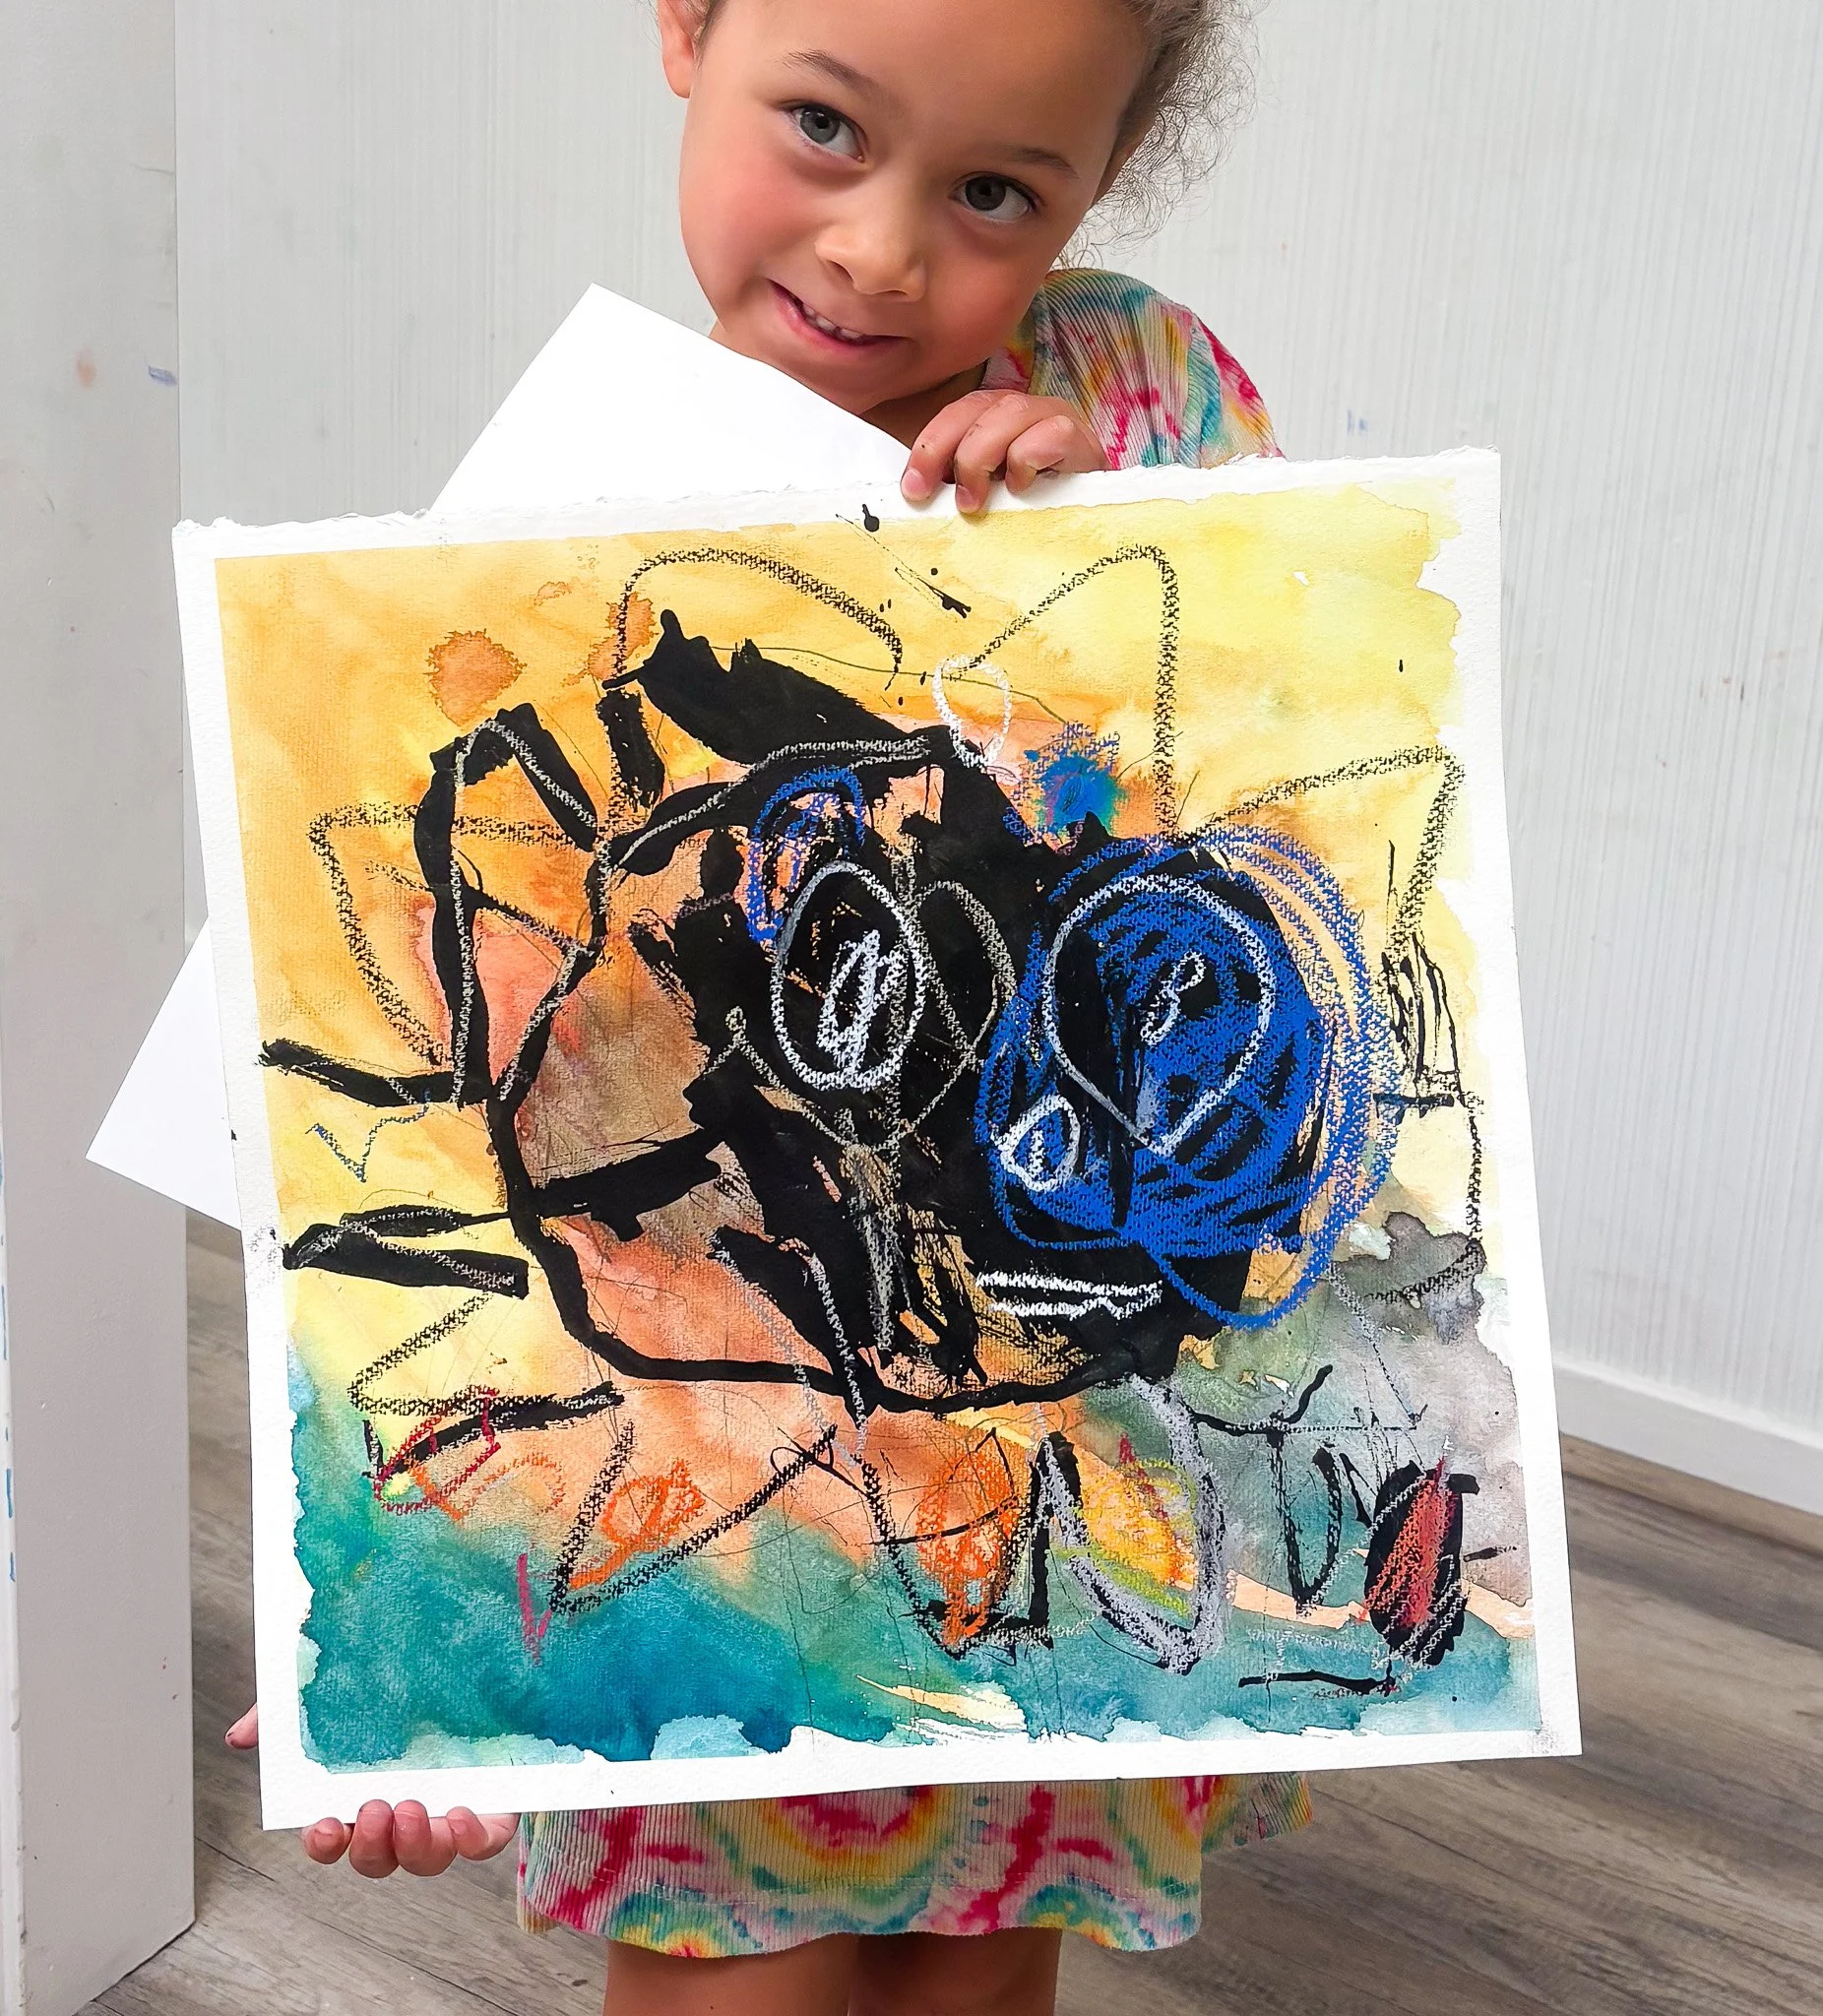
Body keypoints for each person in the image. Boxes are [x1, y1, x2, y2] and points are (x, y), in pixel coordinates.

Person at [228, 0, 1306, 2008]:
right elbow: (426, 1117)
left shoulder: (1140, 387)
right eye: (821, 127)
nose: (885, 250)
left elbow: (1259, 743)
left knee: (996, 1933)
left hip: (1050, 1431)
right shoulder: (578, 515)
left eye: (995, 192)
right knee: (742, 1962)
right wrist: (411, 1640)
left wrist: (1100, 528)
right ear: (684, 32)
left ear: (1098, 174)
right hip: (726, 1447)